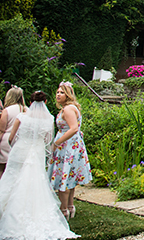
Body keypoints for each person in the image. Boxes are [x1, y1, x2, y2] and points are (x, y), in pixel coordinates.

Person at [0, 90, 78, 238]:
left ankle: (4, 211)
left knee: (11, 179)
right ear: (46, 102)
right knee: (32, 183)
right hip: (36, 152)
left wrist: (15, 147)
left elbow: (11, 138)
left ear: (30, 103)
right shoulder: (48, 119)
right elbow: (48, 140)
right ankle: (29, 212)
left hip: (19, 150)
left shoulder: (21, 117)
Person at [49, 82, 92, 219]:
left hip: (67, 147)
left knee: (65, 177)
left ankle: (63, 210)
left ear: (67, 95)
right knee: (70, 177)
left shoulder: (67, 109)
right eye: (57, 92)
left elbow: (73, 128)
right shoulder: (69, 108)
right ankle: (70, 207)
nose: (58, 95)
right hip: (71, 145)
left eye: (62, 92)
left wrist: (57, 142)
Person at [0, 86, 27, 178]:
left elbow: (1, 129)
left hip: (6, 140)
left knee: (2, 169)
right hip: (21, 140)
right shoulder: (26, 110)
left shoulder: (7, 110)